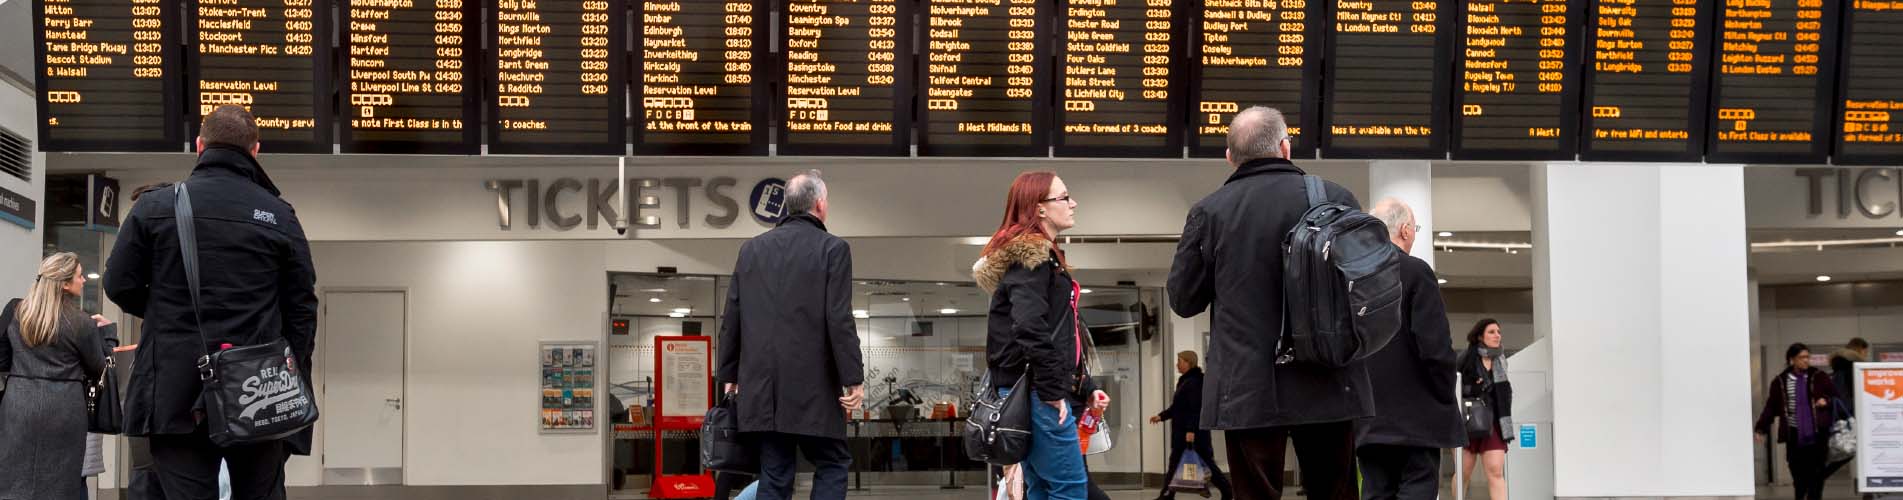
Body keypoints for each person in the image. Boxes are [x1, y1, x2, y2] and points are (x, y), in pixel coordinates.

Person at [104, 104, 320, 500]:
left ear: (199, 145)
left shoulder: (155, 207)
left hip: (174, 390)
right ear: (255, 150)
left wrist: (166, 316)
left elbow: (119, 285)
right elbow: (302, 310)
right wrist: (289, 374)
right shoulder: (280, 215)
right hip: (259, 388)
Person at [1167, 106, 1367, 500]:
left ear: (1230, 157)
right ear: (1286, 147)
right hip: (1327, 377)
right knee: (1335, 491)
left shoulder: (1210, 211)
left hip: (1247, 386)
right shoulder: (1336, 199)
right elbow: (1362, 288)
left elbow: (1184, 300)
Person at [715, 170, 866, 500]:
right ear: (821, 205)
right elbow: (838, 318)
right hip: (814, 392)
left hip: (762, 391)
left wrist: (728, 376)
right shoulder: (833, 249)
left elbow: (733, 316)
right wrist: (853, 378)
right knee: (833, 461)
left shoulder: (751, 250)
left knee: (776, 472)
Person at [973, 171, 1094, 500]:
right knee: (1069, 489)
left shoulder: (1041, 257)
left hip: (1034, 388)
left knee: (1040, 486)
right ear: (1039, 209)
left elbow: (1059, 331)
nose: (1073, 203)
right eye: (1064, 197)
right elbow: (1028, 325)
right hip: (1038, 392)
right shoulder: (1033, 258)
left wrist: (1085, 385)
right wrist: (1055, 391)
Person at [1355, 200, 1463, 500]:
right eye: (1414, 229)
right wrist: (1443, 394)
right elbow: (1435, 347)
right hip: (1416, 420)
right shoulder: (1415, 272)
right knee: (1416, 490)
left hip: (1368, 418)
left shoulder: (1352, 277)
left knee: (1376, 492)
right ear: (1404, 230)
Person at [0, 252, 115, 500]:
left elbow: (1, 358)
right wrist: (108, 334)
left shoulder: (16, 311)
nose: (84, 279)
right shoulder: (80, 322)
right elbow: (98, 367)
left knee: (13, 478)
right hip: (65, 409)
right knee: (61, 483)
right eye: (79, 275)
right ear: (64, 283)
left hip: (18, 404)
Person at [1757, 343, 1839, 500]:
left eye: (1808, 357)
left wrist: (1826, 401)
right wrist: (1761, 428)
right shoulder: (1780, 382)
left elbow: (1836, 397)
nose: (1806, 361)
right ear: (1791, 360)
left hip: (1817, 434)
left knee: (1817, 474)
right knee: (1798, 475)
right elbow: (1771, 407)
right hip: (1793, 435)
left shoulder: (1819, 376)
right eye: (1802, 357)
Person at [1150, 351, 1231, 500]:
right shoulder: (1186, 381)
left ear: (1189, 363)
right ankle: (1167, 495)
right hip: (1183, 432)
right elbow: (1177, 407)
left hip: (1193, 434)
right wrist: (1161, 416)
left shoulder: (1195, 381)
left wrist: (1191, 430)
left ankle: (1227, 490)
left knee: (1207, 464)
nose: (1177, 364)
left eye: (1180, 361)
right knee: (1175, 464)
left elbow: (1196, 409)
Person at [1456, 320, 1514, 500]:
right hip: (1468, 420)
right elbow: (1454, 388)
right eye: (1492, 332)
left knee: (1496, 471)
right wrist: (1473, 387)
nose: (1497, 335)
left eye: (1498, 331)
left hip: (1494, 422)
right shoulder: (1465, 358)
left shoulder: (1501, 360)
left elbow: (1504, 391)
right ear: (1480, 336)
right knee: (1463, 472)